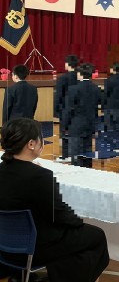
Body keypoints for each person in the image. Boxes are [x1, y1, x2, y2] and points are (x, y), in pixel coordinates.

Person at [0, 118, 109, 282]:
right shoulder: (39, 176)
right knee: (96, 235)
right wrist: (78, 222)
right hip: (34, 248)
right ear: (31, 144)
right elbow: (60, 214)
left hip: (5, 246)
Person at [64, 64, 102, 167]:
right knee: (88, 153)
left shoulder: (73, 89)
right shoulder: (96, 88)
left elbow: (69, 110)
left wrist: (65, 126)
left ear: (80, 74)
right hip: (90, 124)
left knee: (76, 155)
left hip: (76, 126)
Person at [54, 54, 79, 162]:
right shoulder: (80, 77)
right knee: (75, 132)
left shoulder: (62, 78)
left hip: (65, 109)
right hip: (78, 109)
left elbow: (58, 96)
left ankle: (65, 155)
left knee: (65, 132)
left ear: (67, 64)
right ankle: (75, 154)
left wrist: (56, 110)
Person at [103, 62, 119, 130]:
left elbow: (106, 93)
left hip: (110, 106)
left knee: (109, 128)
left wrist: (103, 105)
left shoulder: (108, 80)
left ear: (112, 69)